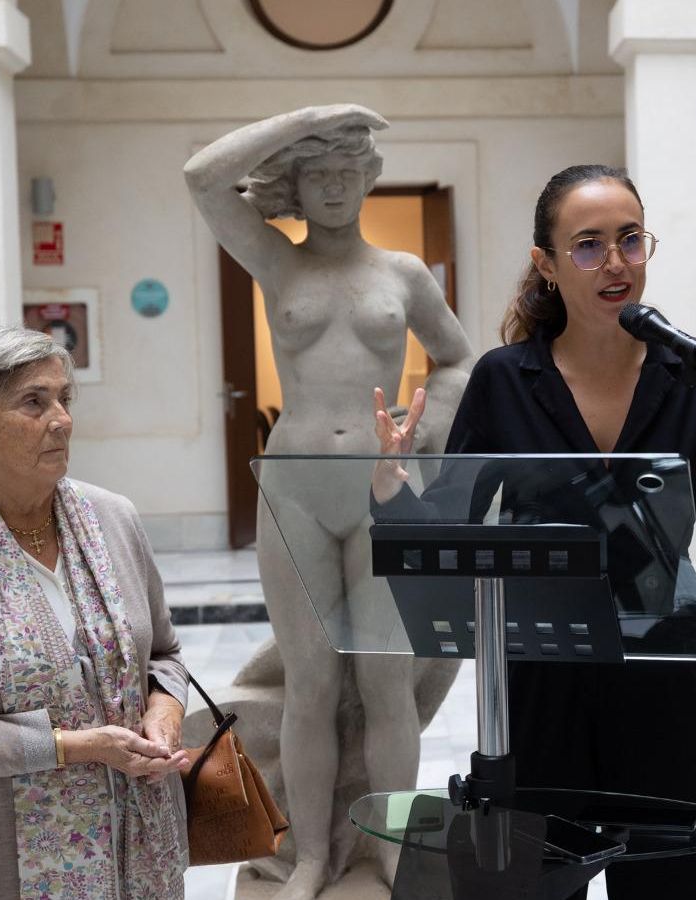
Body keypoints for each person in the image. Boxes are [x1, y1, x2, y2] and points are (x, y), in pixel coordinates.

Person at [370, 163, 696, 898]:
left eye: (630, 240)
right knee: (535, 884)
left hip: (669, 682)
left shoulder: (691, 378)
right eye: (588, 246)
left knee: (673, 885)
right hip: (544, 680)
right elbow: (452, 527)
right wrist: (392, 491)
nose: (615, 263)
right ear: (547, 265)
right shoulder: (503, 380)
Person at [183, 103, 474, 897]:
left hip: (384, 487)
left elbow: (456, 357)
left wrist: (428, 428)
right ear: (298, 186)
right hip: (298, 487)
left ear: (371, 179)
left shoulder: (404, 274)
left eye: (350, 172)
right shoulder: (279, 264)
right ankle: (310, 852)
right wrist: (307, 118)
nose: (338, 188)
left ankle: (389, 846)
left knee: (388, 682)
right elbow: (202, 177)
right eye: (320, 175)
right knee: (311, 682)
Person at [0, 324, 192, 899]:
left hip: (141, 854)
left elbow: (163, 655)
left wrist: (163, 714)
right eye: (33, 402)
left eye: (64, 398)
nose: (62, 419)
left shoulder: (114, 519)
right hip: (10, 865)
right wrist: (77, 747)